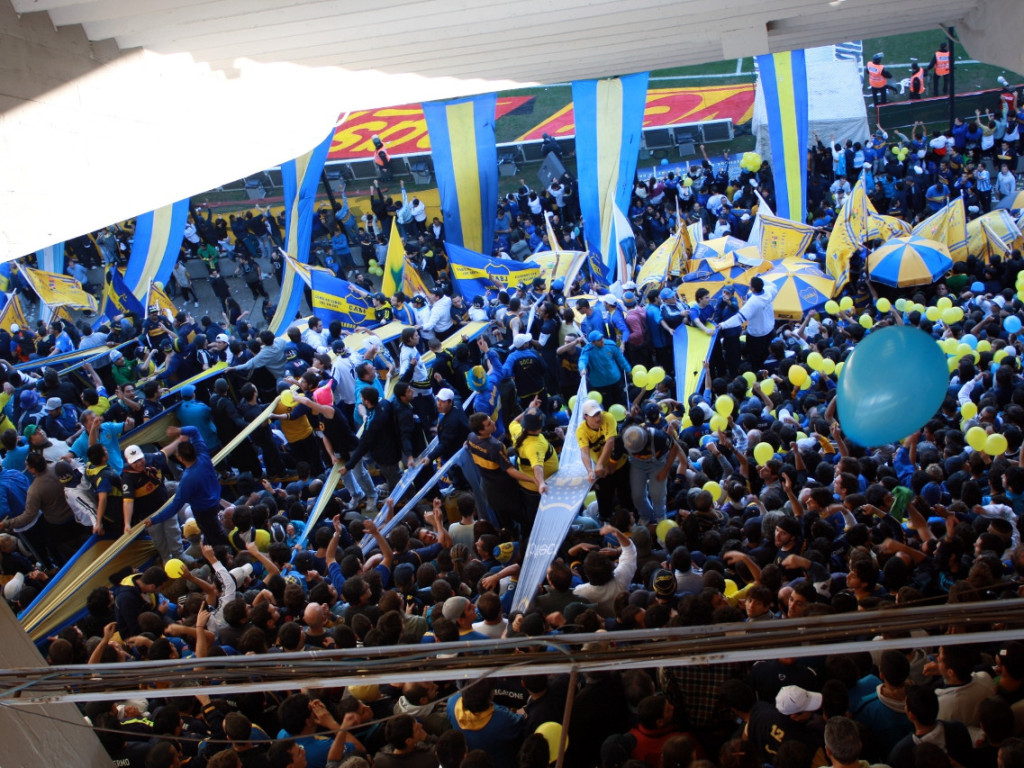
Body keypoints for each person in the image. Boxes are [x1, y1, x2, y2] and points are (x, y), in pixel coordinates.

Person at [145, 426, 228, 547]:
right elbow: (194, 430)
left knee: (215, 536)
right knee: (214, 532)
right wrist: (179, 431)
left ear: (180, 458)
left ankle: (229, 553)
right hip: (215, 499)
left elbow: (175, 505)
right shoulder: (202, 454)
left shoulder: (187, 479)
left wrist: (154, 520)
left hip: (204, 511)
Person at [716, 275, 778, 372]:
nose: (748, 284)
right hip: (770, 330)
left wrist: (723, 325)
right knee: (763, 354)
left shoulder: (753, 302)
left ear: (752, 288)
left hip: (757, 336)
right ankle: (761, 369)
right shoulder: (770, 290)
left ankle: (755, 373)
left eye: (750, 283)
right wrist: (758, 277)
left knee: (754, 359)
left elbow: (739, 318)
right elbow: (773, 285)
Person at [578, 331, 630, 408]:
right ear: (593, 343)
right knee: (607, 404)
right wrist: (582, 369)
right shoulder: (587, 350)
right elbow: (582, 360)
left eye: (602, 338)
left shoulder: (611, 344)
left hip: (615, 379)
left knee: (621, 401)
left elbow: (620, 358)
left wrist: (628, 370)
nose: (602, 340)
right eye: (599, 340)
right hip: (600, 384)